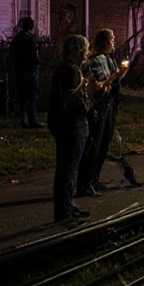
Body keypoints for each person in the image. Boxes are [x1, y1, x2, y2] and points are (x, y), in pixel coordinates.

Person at [47, 34, 92, 223]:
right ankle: (64, 209)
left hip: (63, 123)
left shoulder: (66, 70)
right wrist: (87, 106)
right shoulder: (71, 71)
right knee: (68, 167)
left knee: (67, 167)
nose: (87, 53)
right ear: (79, 51)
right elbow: (73, 99)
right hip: (72, 125)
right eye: (85, 49)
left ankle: (68, 204)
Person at [78, 29, 128, 195]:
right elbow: (101, 85)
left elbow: (113, 81)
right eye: (112, 40)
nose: (113, 43)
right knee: (95, 143)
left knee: (104, 142)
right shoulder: (96, 61)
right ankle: (86, 182)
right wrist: (115, 75)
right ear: (106, 42)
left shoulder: (109, 59)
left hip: (109, 105)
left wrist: (121, 73)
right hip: (99, 106)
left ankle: (94, 179)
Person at [8, 16, 42, 128]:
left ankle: (22, 119)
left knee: (21, 96)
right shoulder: (29, 40)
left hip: (19, 70)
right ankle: (32, 120)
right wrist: (36, 63)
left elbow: (11, 55)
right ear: (31, 28)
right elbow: (33, 56)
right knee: (31, 96)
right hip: (30, 71)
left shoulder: (17, 39)